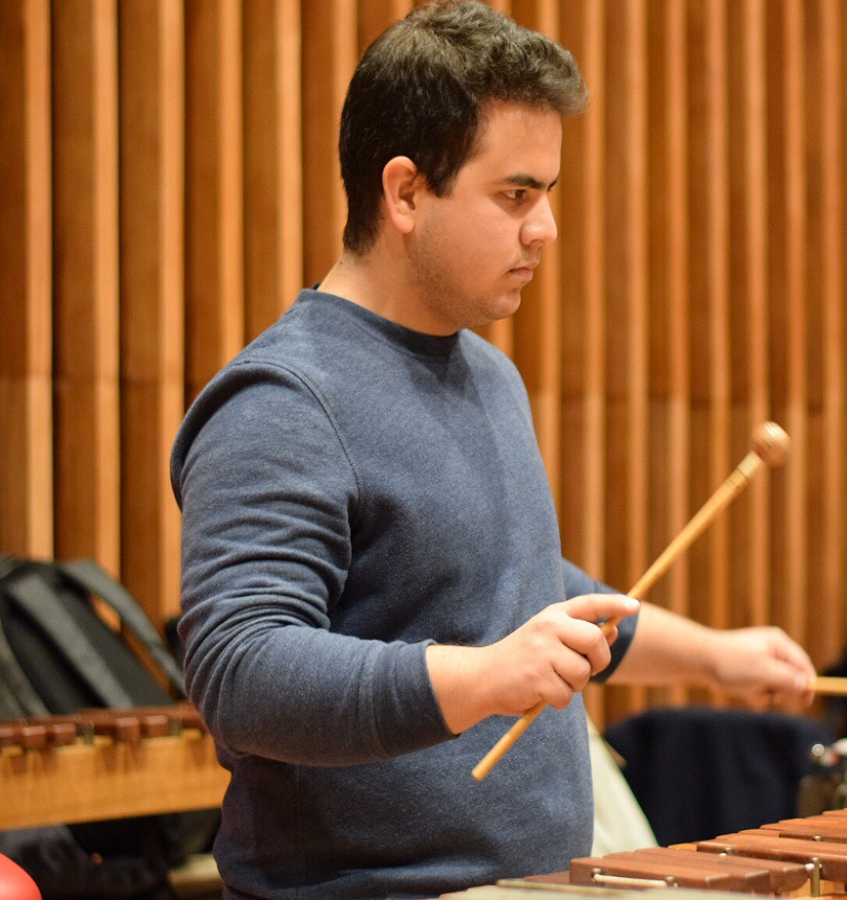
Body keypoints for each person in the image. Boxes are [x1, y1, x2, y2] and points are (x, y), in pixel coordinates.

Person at [170, 4, 814, 899]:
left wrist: (714, 656)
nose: (544, 228)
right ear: (404, 193)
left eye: (547, 193)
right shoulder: (285, 402)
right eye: (517, 195)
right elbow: (242, 669)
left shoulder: (487, 376)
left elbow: (516, 591)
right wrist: (485, 677)